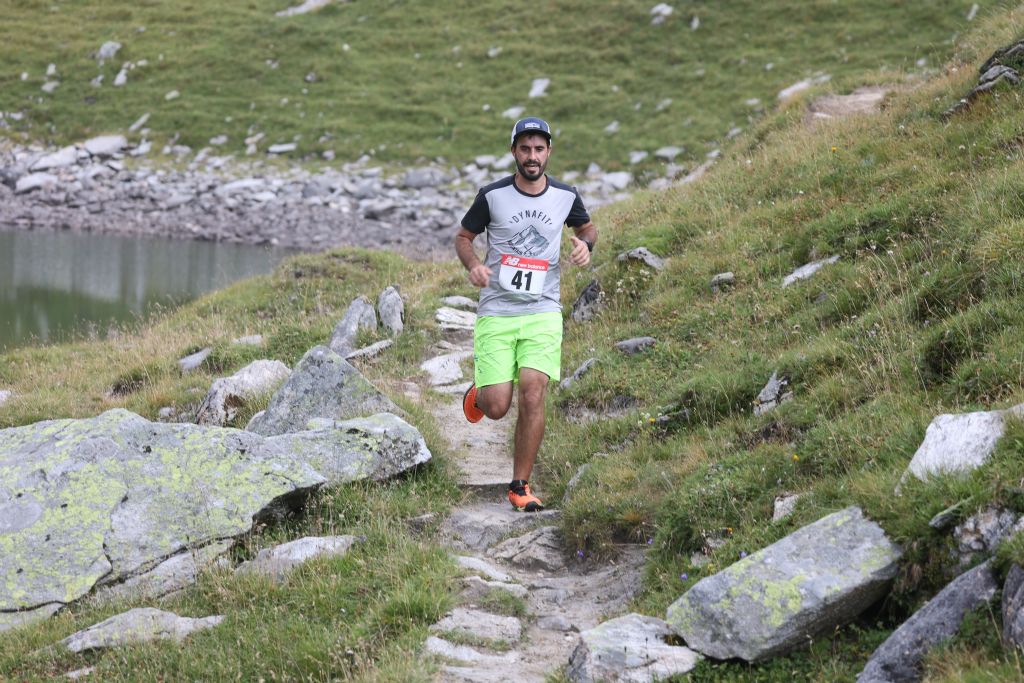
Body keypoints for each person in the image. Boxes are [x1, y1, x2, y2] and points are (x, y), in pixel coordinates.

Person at [454, 117, 597, 512]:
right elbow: (463, 237)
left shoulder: (566, 196)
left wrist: (585, 245)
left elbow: (588, 228)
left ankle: (520, 485)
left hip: (543, 310)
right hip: (497, 311)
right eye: (525, 149)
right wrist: (473, 265)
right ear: (514, 152)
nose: (532, 156)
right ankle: (480, 394)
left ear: (548, 152)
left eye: (539, 149)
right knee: (498, 406)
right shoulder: (492, 196)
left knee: (534, 391)